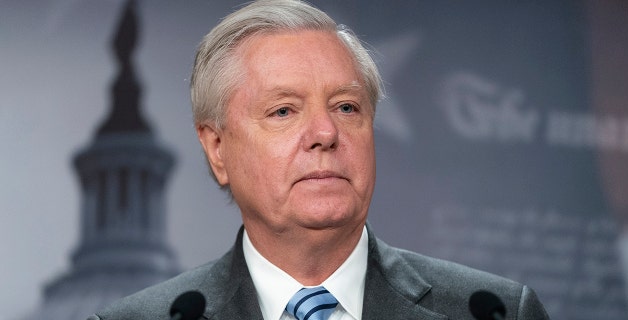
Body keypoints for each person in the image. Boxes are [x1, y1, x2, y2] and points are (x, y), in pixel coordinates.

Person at [89, 0, 549, 319]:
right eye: (284, 110)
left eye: (346, 107)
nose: (326, 133)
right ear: (217, 149)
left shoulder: (494, 312)